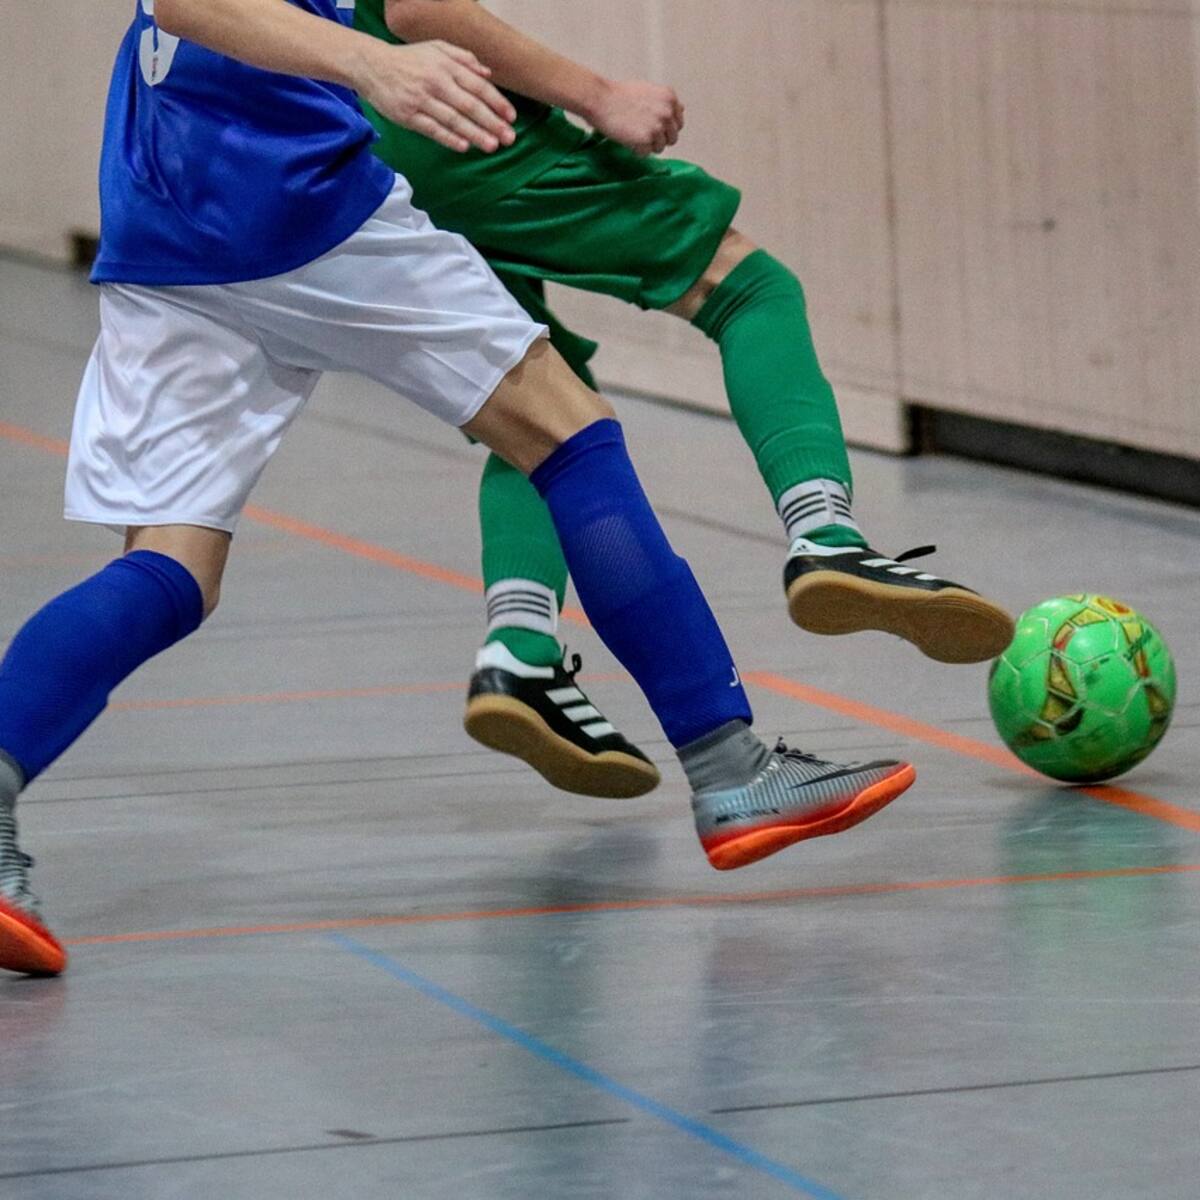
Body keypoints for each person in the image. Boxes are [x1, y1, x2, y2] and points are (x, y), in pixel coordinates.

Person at [0, 0, 918, 978]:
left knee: (171, 570)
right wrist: (372, 64)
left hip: (164, 214)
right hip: (295, 202)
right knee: (569, 436)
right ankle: (729, 769)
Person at [354, 0, 1015, 799]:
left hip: (363, 144)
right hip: (453, 122)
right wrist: (598, 94)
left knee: (539, 410)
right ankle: (826, 533)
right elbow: (415, 7)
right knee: (748, 288)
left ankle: (520, 650)